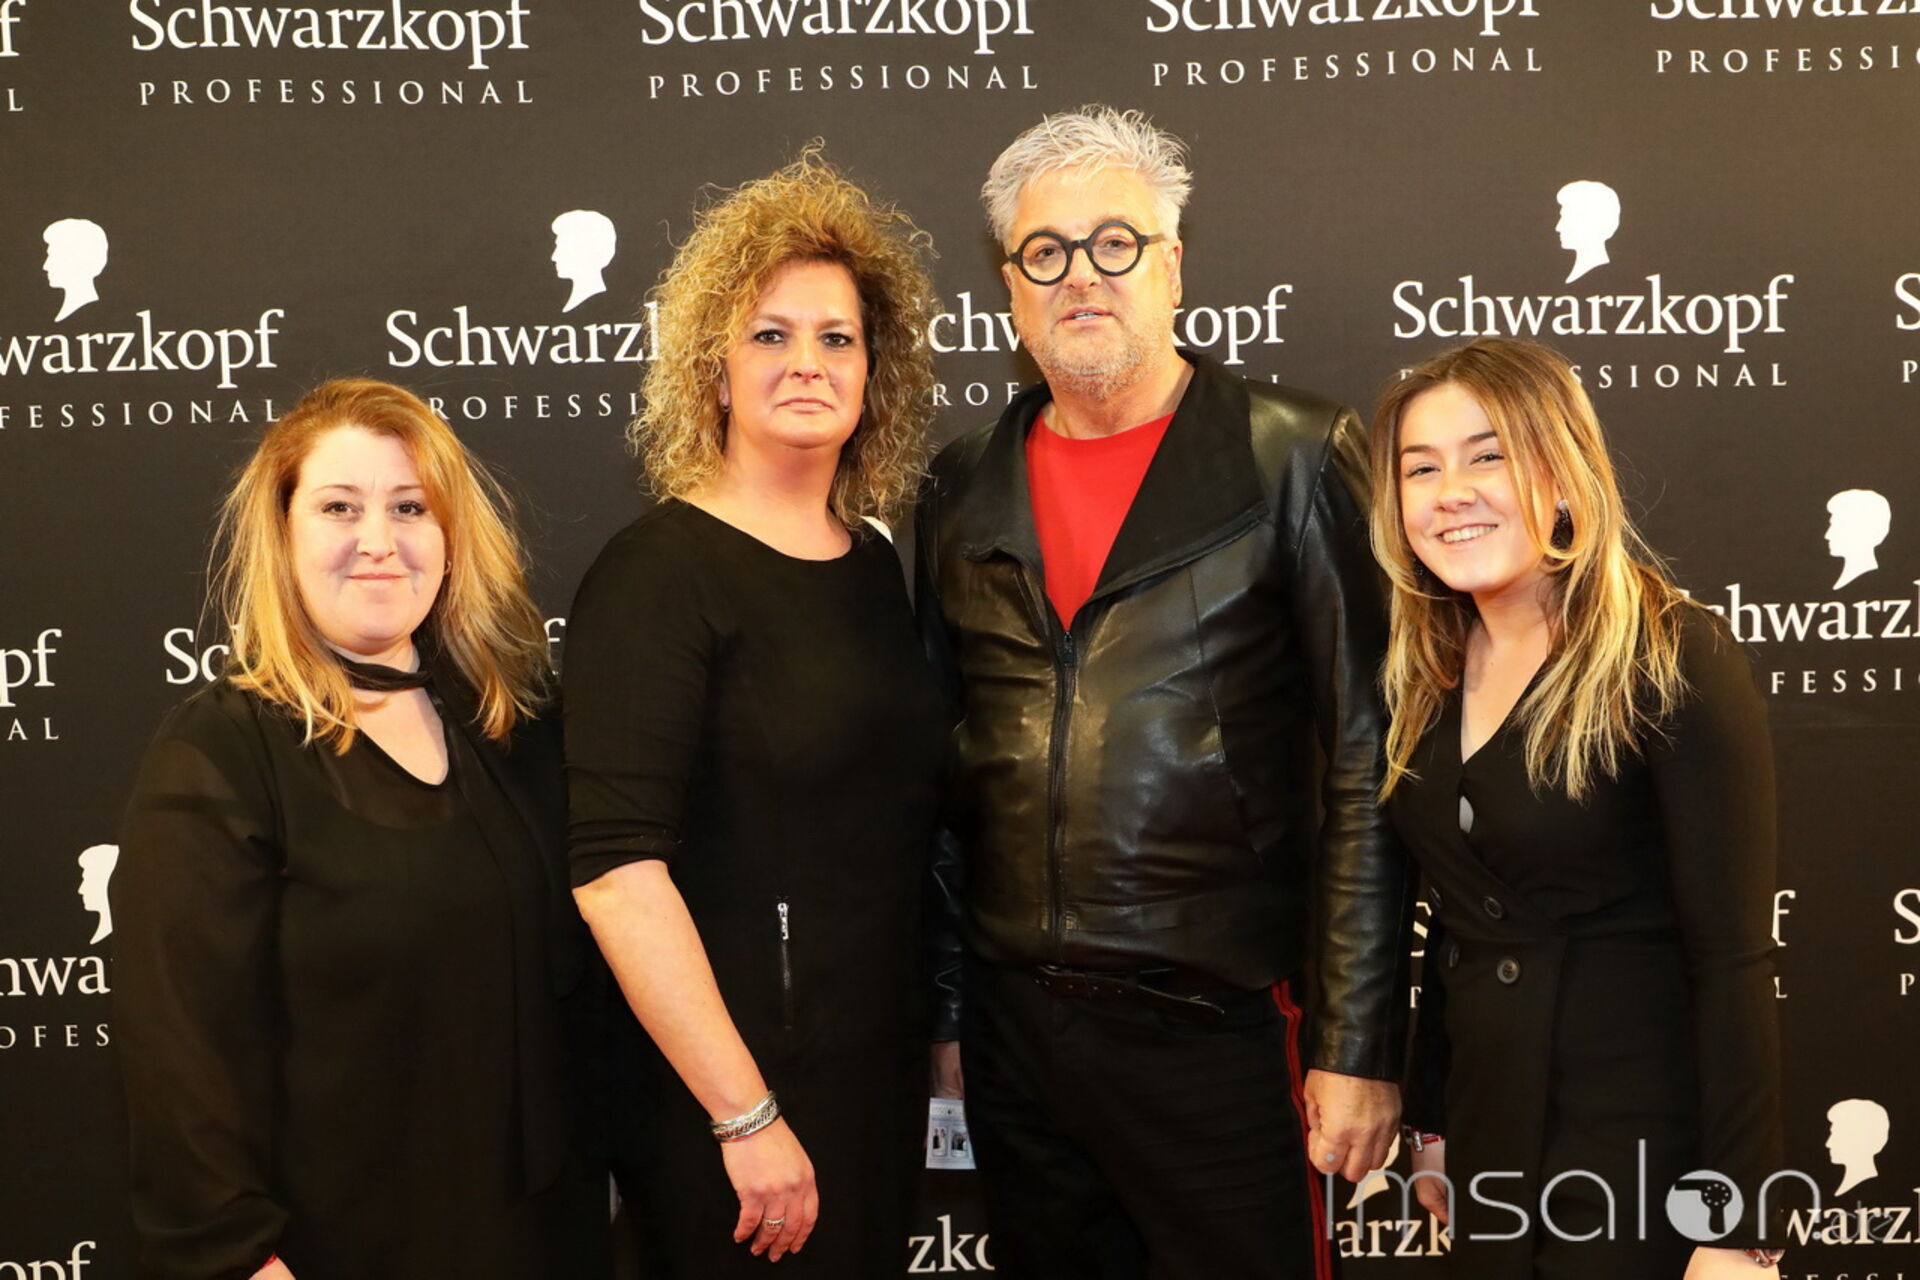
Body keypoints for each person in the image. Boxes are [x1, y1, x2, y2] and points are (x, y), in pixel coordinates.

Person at [915, 105, 1411, 1279]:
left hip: (1225, 1029)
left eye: (1114, 242)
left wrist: (1357, 1039)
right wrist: (948, 1010)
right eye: (1046, 252)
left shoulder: (1294, 452)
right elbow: (937, 773)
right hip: (1018, 1035)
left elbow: (1367, 755)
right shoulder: (961, 485)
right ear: (1010, 287)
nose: (1081, 275)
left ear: (1172, 265)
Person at [112, 379, 610, 1280]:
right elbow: (180, 1058)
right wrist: (237, 1259)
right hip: (328, 1252)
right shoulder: (221, 754)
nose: (378, 540)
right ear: (284, 534)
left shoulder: (517, 729)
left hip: (535, 1243)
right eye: (340, 507)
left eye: (410, 507)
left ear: (450, 538)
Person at [564, 151, 945, 1275]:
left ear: (875, 373)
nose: (807, 362)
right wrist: (745, 1114)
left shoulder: (873, 564)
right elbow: (616, 873)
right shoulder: (657, 574)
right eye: (770, 335)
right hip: (728, 1111)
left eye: (838, 338)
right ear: (716, 373)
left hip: (870, 1084)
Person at [1373, 338, 1786, 1277]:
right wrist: (1432, 1122)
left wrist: (1738, 1226)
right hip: (1490, 1146)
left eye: (1487, 456)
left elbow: (1733, 959)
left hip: (1639, 1149)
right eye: (1421, 469)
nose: (1451, 493)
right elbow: (1462, 923)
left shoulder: (1672, 655)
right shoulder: (1425, 672)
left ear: (1561, 474)